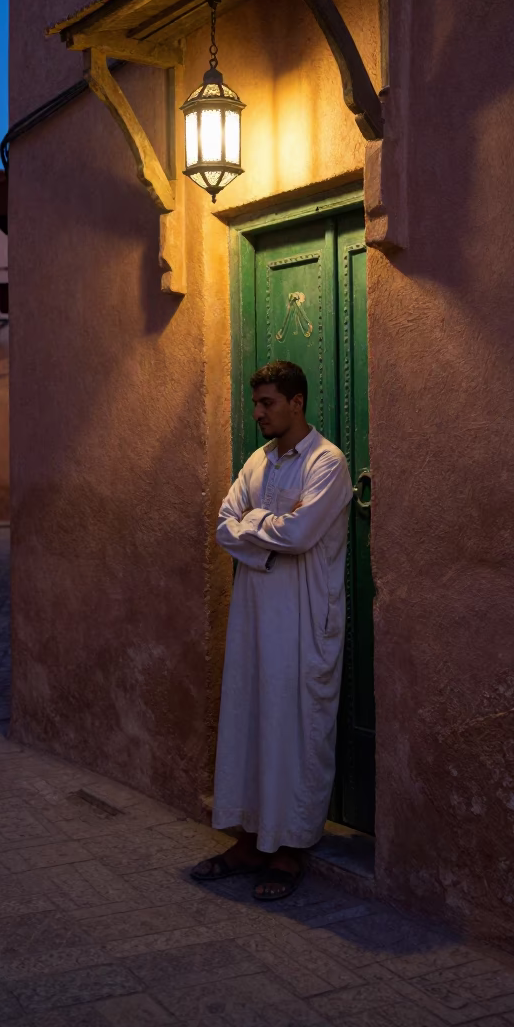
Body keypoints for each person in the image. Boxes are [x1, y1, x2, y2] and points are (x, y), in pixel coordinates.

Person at [191, 359, 353, 901]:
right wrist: (267, 526)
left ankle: (290, 849)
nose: (258, 413)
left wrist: (253, 523)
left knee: (296, 724)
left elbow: (301, 534)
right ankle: (249, 838)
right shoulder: (257, 462)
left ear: (296, 402)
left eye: (268, 403)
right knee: (250, 717)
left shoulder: (328, 462)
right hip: (254, 613)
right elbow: (223, 525)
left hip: (305, 617)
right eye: (256, 403)